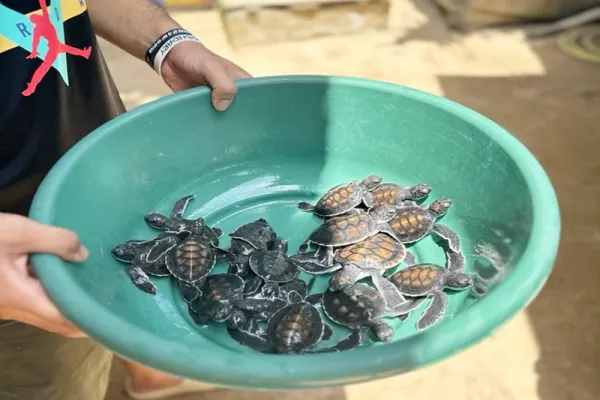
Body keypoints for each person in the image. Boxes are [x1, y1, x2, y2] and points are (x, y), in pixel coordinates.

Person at [0, 0, 251, 399]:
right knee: (60, 376)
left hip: (96, 164)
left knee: (124, 284)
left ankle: (152, 373)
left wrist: (166, 42)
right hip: (17, 260)